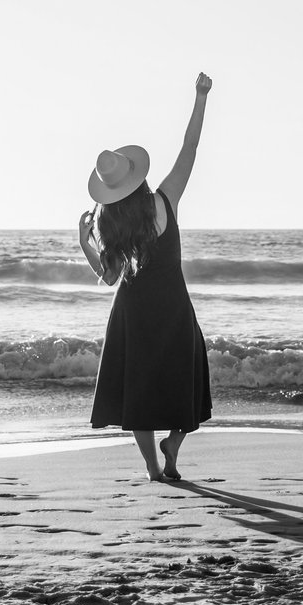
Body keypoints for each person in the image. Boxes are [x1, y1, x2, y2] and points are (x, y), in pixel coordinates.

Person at [78, 72, 214, 482]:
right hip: (174, 309)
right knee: (185, 381)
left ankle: (154, 469)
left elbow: (109, 277)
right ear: (138, 175)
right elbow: (190, 148)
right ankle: (173, 445)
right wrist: (201, 97)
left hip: (133, 315)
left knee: (139, 392)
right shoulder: (166, 200)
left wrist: (85, 243)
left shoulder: (112, 224)